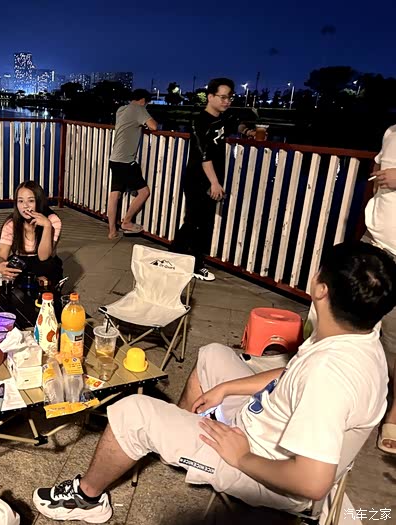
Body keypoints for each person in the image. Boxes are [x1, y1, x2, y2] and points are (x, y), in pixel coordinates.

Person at [33, 241, 394, 524]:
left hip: (265, 470)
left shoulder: (330, 377)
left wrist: (242, 457)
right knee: (213, 355)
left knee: (131, 412)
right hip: (263, 425)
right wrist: (226, 388)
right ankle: (175, 435)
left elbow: (312, 482)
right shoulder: (357, 335)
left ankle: (88, 499)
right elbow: (291, 375)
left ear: (321, 289)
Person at [171, 78, 255, 281]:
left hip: (212, 178)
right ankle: (194, 264)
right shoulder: (199, 121)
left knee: (198, 221)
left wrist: (249, 131)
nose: (227, 101)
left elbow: (236, 124)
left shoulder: (223, 118)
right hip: (198, 179)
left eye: (230, 97)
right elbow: (203, 155)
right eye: (223, 97)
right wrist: (214, 183)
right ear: (210, 97)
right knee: (197, 222)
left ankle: (175, 254)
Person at [365, 124, 396, 455]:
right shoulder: (391, 132)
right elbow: (378, 168)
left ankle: (394, 415)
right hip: (375, 241)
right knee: (350, 318)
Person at [106, 89, 158, 240]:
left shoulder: (121, 109)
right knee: (144, 192)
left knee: (115, 195)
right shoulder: (139, 109)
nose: (146, 105)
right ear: (143, 100)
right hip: (126, 161)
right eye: (147, 103)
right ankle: (127, 222)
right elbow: (153, 126)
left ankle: (112, 231)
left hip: (114, 159)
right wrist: (144, 123)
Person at [0, 181, 63, 285]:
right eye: (20, 201)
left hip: (45, 263)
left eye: (31, 201)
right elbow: (2, 254)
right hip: (21, 262)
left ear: (39, 201)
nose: (25, 206)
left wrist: (47, 226)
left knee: (45, 274)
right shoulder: (11, 223)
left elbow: (44, 257)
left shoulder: (52, 220)